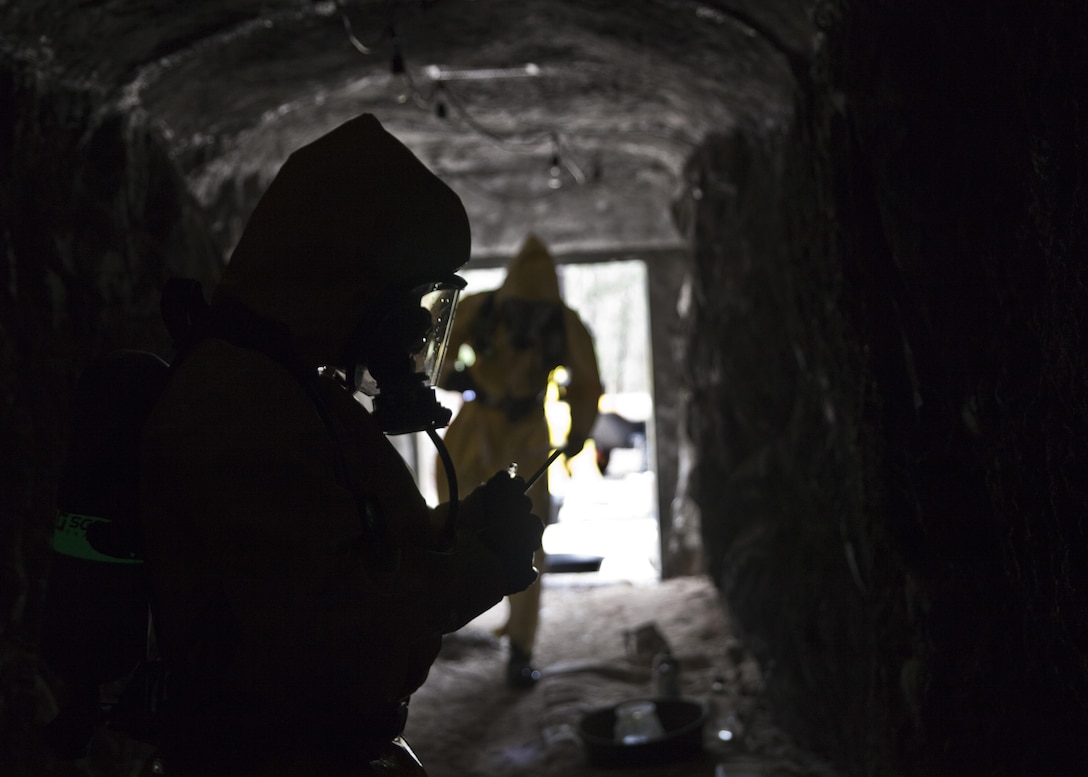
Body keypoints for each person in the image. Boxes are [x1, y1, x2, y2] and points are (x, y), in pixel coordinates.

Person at [138, 113, 543, 776]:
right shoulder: (237, 405)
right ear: (344, 281)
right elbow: (327, 615)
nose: (416, 330)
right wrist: (479, 562)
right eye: (408, 300)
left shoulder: (293, 389)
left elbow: (351, 547)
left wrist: (466, 527)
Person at [435, 234, 603, 688]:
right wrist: (454, 375)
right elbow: (435, 350)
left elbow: (587, 383)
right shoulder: (483, 311)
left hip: (528, 435)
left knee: (526, 536)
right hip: (475, 430)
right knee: (455, 524)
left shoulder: (561, 324)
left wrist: (578, 433)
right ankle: (442, 616)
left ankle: (521, 645)